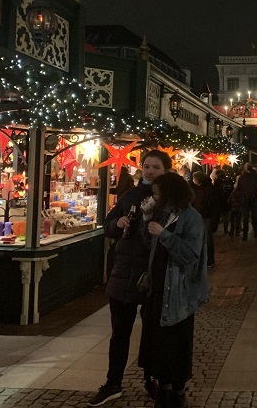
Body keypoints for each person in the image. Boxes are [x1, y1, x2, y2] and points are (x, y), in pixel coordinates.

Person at [88, 149, 171, 407]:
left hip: (150, 273)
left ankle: (151, 378)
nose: (149, 171)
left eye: (156, 167)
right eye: (147, 166)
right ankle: (113, 382)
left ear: (165, 171)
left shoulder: (168, 199)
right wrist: (118, 224)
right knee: (119, 333)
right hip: (123, 272)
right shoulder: (130, 195)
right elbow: (107, 224)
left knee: (151, 333)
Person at [139, 172, 208, 408]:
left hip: (178, 293)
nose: (154, 197)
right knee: (158, 345)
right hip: (158, 291)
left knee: (176, 345)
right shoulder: (164, 214)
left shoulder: (191, 218)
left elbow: (190, 256)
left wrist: (164, 234)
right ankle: (164, 390)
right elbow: (149, 245)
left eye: (157, 193)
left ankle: (177, 393)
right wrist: (147, 218)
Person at [191, 171, 216, 268]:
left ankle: (209, 260)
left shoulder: (204, 189)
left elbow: (205, 204)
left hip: (205, 216)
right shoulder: (204, 188)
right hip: (204, 216)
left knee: (206, 238)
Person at [236, 163, 257, 240]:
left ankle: (245, 234)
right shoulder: (256, 177)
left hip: (245, 199)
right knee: (255, 216)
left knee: (245, 217)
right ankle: (256, 232)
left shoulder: (242, 178)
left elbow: (238, 188)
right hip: (255, 199)